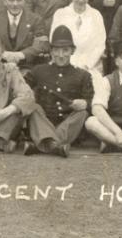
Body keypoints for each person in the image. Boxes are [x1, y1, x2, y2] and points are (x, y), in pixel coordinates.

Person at [23, 25, 93, 155]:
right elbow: (21, 87)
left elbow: (91, 102)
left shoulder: (83, 75)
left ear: (72, 51)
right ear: (51, 51)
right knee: (34, 108)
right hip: (43, 122)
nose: (61, 55)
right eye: (57, 50)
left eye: (65, 50)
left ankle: (43, 145)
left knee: (82, 113)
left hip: (67, 125)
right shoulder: (39, 70)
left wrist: (85, 103)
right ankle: (55, 146)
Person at [50, 0, 107, 75]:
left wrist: (86, 65)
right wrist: (68, 65)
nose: (81, 0)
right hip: (64, 65)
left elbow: (100, 45)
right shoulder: (60, 14)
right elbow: (55, 42)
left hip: (91, 67)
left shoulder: (96, 15)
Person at [0, 0, 49, 71]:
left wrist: (21, 55)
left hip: (27, 66)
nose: (15, 4)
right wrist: (3, 54)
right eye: (11, 0)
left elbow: (41, 45)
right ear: (5, 1)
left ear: (24, 1)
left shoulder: (36, 19)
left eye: (19, 0)